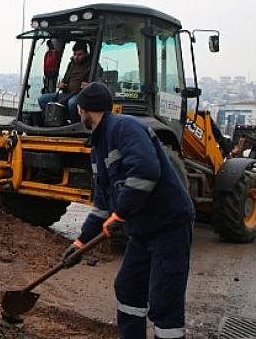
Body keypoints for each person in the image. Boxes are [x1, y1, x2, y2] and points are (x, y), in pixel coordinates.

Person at [61, 82, 195, 339]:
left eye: (79, 110)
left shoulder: (125, 127)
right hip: (142, 230)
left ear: (84, 109)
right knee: (128, 287)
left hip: (168, 225)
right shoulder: (98, 146)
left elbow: (146, 172)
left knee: (164, 301)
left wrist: (120, 213)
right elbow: (102, 205)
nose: (78, 114)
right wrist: (80, 243)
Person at [38, 40, 91, 121]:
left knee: (72, 103)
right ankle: (51, 122)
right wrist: (62, 84)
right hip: (67, 93)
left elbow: (99, 83)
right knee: (43, 99)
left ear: (86, 54)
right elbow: (65, 78)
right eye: (74, 54)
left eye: (79, 54)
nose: (76, 57)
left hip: (81, 95)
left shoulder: (92, 65)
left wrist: (89, 86)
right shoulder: (71, 64)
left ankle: (75, 125)